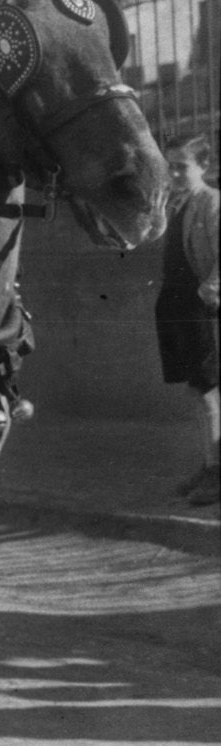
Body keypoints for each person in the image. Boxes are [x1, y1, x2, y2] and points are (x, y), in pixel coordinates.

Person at [156, 133, 220, 506]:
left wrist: (208, 293)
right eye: (171, 166)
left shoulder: (212, 202)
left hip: (200, 305)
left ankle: (215, 474)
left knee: (208, 388)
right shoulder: (177, 203)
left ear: (205, 166)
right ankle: (209, 464)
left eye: (182, 166)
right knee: (197, 389)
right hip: (177, 304)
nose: (175, 173)